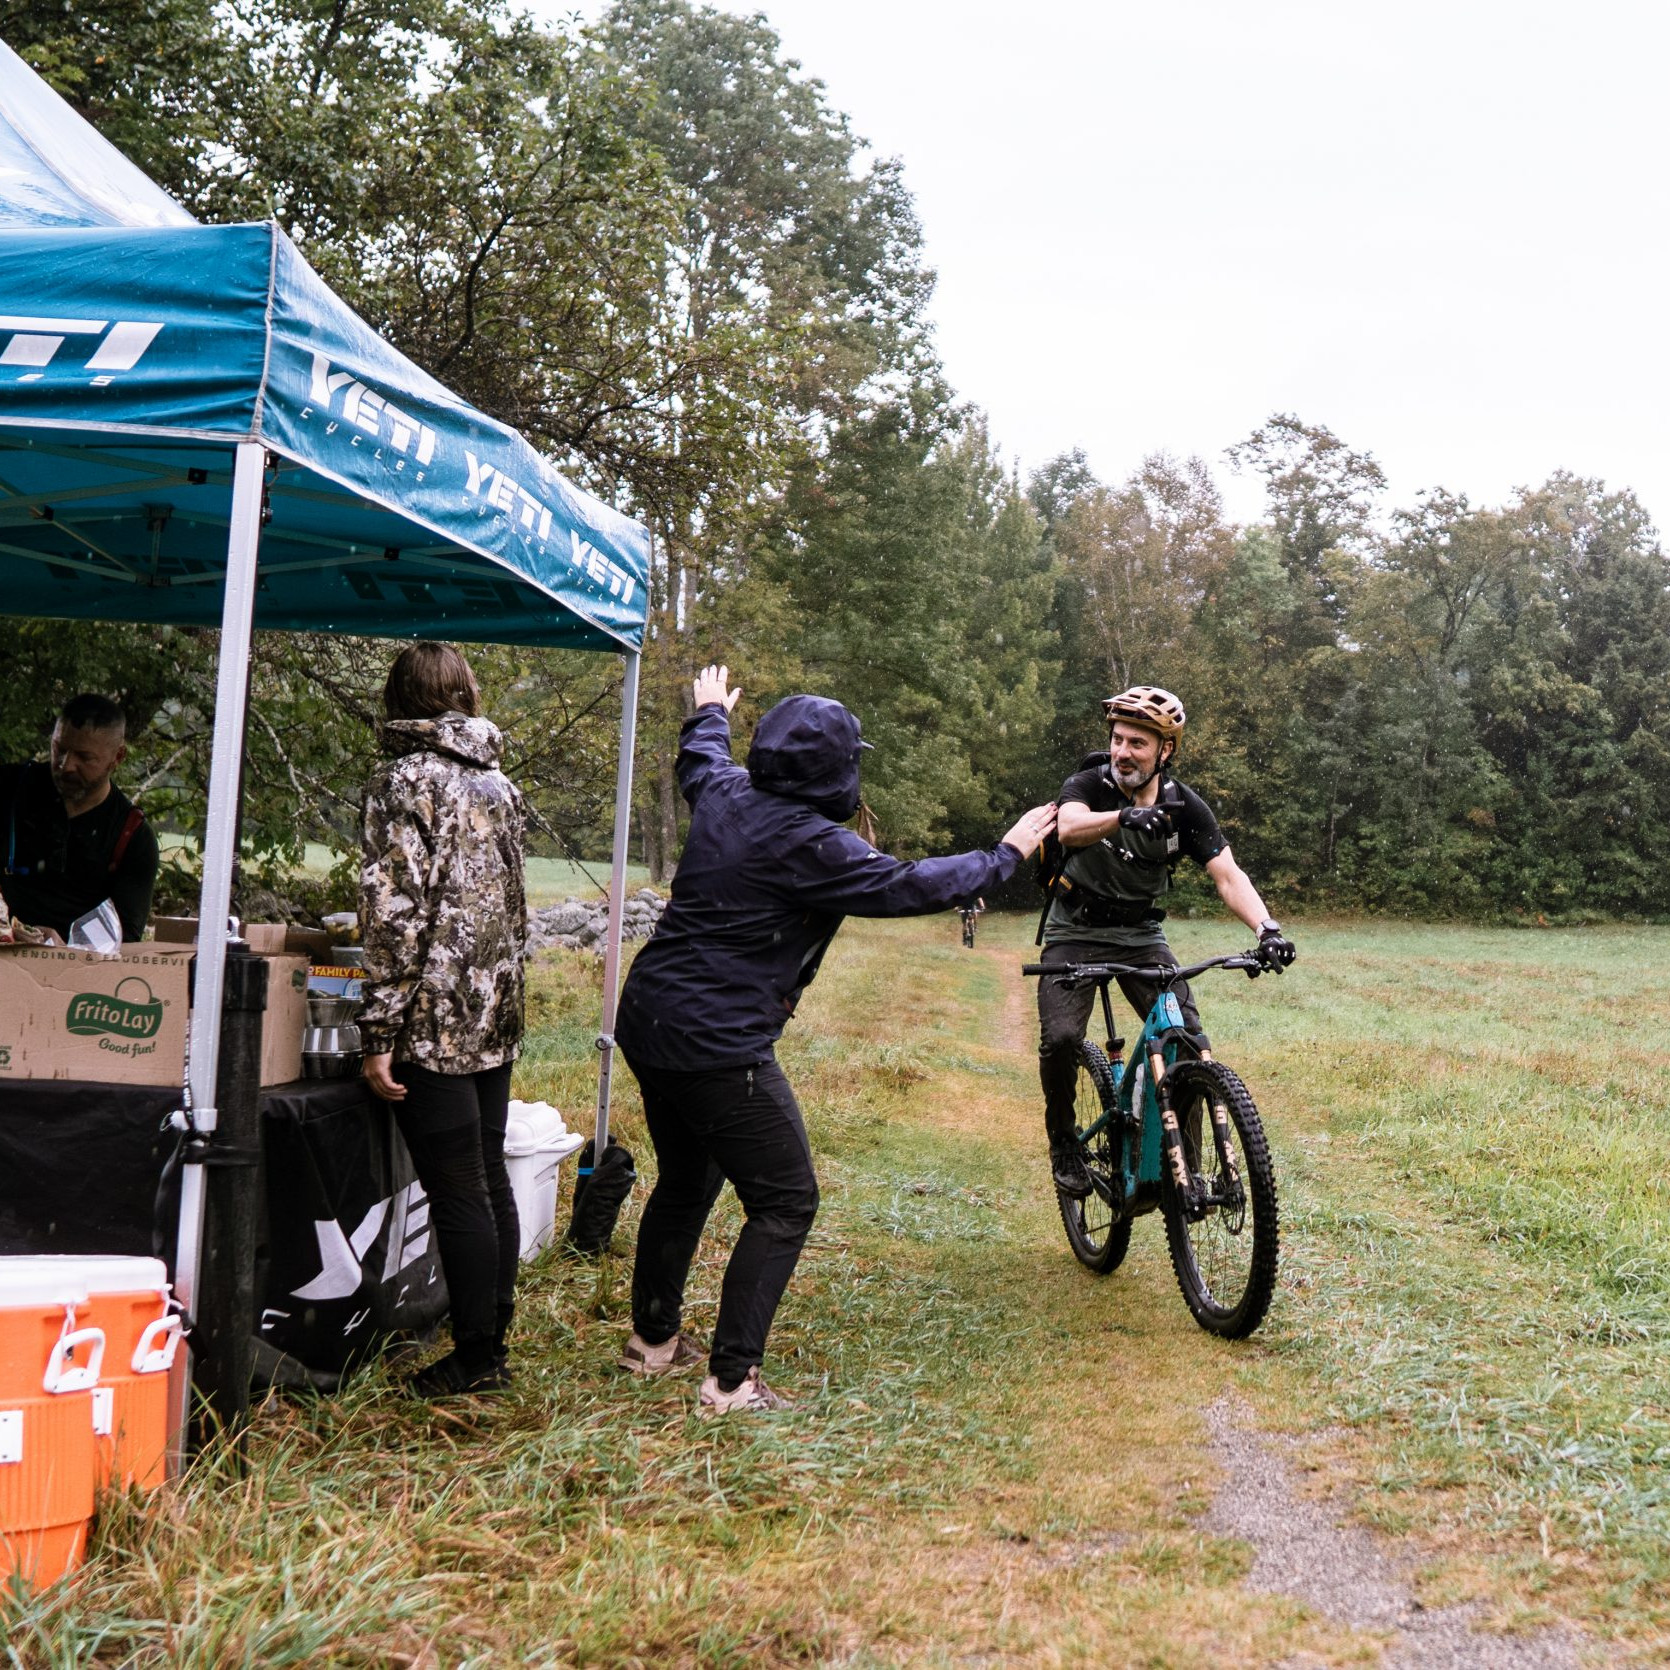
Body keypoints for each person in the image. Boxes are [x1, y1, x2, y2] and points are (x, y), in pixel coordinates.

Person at [614, 663, 1056, 1415]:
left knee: (688, 1181)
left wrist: (712, 711)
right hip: (718, 1045)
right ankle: (729, 1385)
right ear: (838, 771)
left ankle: (652, 1344)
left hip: (648, 1019)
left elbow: (702, 759)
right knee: (786, 1201)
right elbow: (914, 884)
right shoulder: (814, 844)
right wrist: (1008, 853)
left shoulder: (727, 797)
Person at [1037, 685, 1296, 1197]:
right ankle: (1064, 1143)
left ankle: (1188, 1173)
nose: (1123, 752)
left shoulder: (1185, 808)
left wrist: (1266, 928)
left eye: (1137, 743)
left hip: (1141, 937)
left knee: (1184, 1043)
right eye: (1118, 739)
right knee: (1063, 1038)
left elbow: (1227, 874)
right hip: (1075, 932)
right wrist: (1121, 816)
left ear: (1165, 750)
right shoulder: (1088, 784)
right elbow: (1068, 828)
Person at [357, 642, 527, 1397]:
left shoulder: (402, 782)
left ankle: (478, 1355)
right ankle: (493, 1331)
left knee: (458, 1185)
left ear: (399, 701)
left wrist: (379, 1030)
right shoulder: (498, 784)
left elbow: (394, 914)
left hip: (432, 1014)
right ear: (463, 694)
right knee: (488, 1174)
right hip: (493, 1004)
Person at [0, 693, 159, 943]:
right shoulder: (10, 788)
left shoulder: (132, 836)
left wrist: (63, 945)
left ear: (117, 758)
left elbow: (125, 937)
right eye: (59, 749)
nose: (66, 766)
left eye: (84, 758)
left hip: (78, 972)